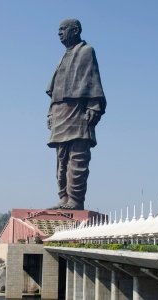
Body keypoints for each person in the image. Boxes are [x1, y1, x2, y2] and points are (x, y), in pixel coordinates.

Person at [46, 19, 106, 210]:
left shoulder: (86, 51)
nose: (59, 33)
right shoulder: (63, 56)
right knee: (61, 160)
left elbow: (92, 79)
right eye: (59, 30)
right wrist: (50, 114)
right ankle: (63, 197)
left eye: (63, 29)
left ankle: (76, 200)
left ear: (76, 30)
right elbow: (54, 90)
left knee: (78, 158)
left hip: (78, 111)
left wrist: (94, 106)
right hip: (60, 112)